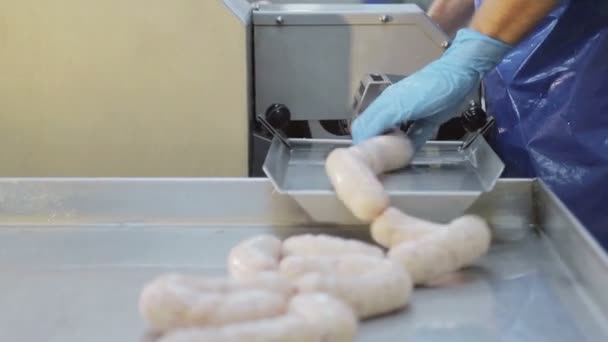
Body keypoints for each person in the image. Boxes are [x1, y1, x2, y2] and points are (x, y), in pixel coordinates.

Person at [355, 0, 608, 246]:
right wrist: (434, 39)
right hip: (513, 71)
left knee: (580, 244)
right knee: (526, 226)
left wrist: (468, 55)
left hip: (582, 81)